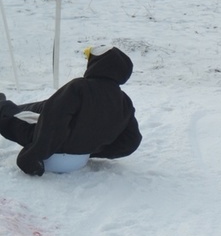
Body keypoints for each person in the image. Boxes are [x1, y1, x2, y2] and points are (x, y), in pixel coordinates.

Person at [0, 45, 142, 176]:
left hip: (55, 151)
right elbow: (132, 140)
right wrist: (92, 149)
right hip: (79, 158)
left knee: (10, 116)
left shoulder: (79, 87)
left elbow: (54, 122)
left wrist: (34, 155)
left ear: (98, 63)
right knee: (45, 105)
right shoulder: (124, 101)